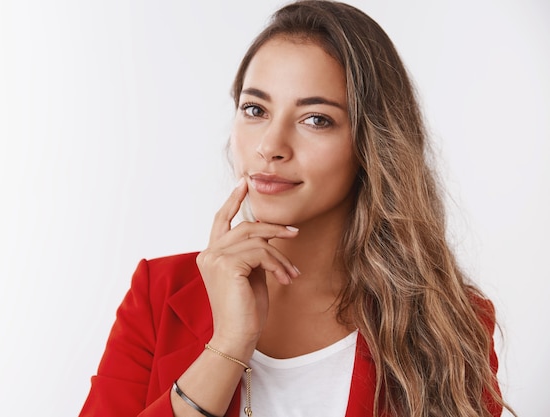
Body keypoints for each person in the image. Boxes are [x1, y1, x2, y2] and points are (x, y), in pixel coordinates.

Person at [80, 1, 515, 416]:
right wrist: (230, 344)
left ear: (372, 144)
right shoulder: (158, 294)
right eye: (255, 109)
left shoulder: (450, 325)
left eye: (316, 119)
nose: (270, 146)